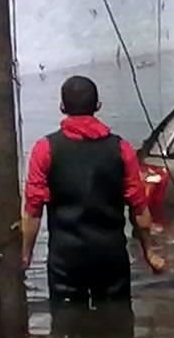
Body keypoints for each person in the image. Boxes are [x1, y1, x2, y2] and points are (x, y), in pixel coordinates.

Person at [22, 75, 165, 304]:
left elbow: (33, 210)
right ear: (98, 106)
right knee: (117, 325)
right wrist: (149, 252)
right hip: (110, 256)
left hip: (66, 258)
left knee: (66, 328)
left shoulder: (45, 149)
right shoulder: (121, 149)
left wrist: (26, 254)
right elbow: (139, 208)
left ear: (62, 107)